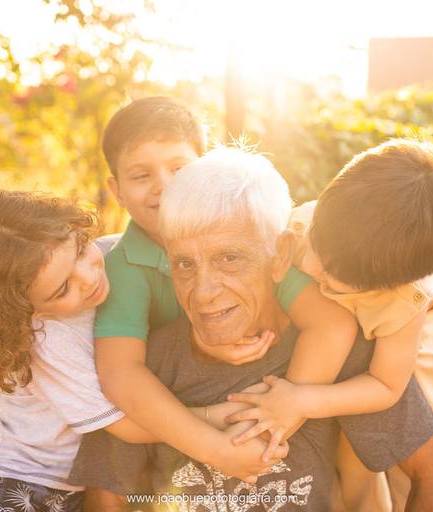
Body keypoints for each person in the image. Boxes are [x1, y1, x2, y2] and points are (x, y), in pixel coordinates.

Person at [69, 147, 433, 511]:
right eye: (184, 264)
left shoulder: (355, 348)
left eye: (229, 259)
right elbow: (106, 497)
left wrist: (296, 403)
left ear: (281, 257)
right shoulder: (150, 374)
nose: (203, 294)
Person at [0, 189, 243, 512]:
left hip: (86, 473)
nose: (88, 278)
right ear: (20, 313)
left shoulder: (116, 257)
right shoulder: (45, 341)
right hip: (26, 479)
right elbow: (128, 424)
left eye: (79, 251)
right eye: (63, 289)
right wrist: (215, 417)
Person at [91, 96, 356, 484]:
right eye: (141, 175)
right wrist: (215, 449)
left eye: (178, 169)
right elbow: (120, 374)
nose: (164, 187)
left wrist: (282, 413)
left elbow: (331, 323)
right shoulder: (123, 268)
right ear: (116, 190)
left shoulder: (254, 243)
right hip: (181, 418)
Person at [225, 140, 433, 511]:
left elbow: (386, 386)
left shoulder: (403, 298)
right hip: (339, 336)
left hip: (407, 352)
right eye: (315, 246)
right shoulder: (315, 225)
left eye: (331, 273)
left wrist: (302, 400)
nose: (310, 267)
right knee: (345, 454)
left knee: (413, 451)